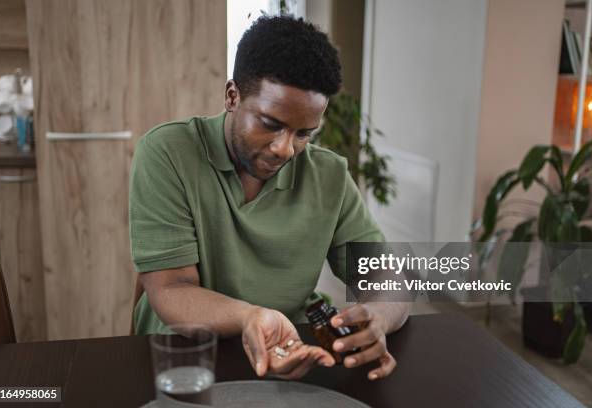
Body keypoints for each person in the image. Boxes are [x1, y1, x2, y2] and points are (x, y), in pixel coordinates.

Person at [129, 15, 408, 381]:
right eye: (270, 124)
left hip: (289, 352)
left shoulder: (329, 176)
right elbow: (171, 289)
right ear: (232, 96)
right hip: (182, 354)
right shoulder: (168, 152)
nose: (285, 149)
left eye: (305, 133)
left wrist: (378, 318)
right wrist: (250, 318)